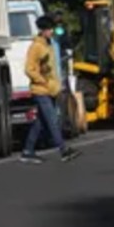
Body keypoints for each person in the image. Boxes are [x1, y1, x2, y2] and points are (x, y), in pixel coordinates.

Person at [20, 15, 81, 164]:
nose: (51, 31)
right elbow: (29, 69)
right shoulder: (36, 47)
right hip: (41, 90)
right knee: (52, 120)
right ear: (42, 30)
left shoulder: (49, 45)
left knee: (40, 121)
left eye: (52, 29)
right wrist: (43, 81)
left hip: (50, 90)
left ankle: (28, 151)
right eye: (48, 29)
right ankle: (63, 149)